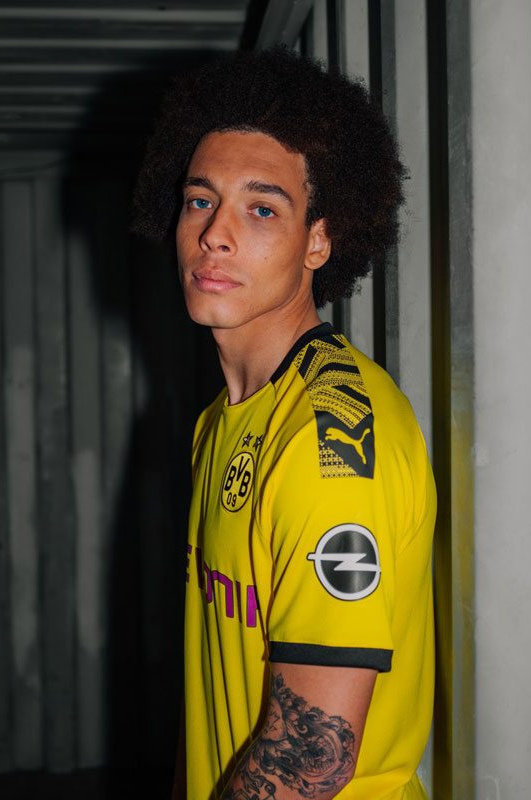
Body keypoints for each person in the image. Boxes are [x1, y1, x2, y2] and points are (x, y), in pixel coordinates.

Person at [133, 47, 436, 800]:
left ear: (318, 242)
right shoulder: (222, 421)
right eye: (200, 200)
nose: (215, 234)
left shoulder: (328, 438)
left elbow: (308, 758)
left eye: (261, 208)